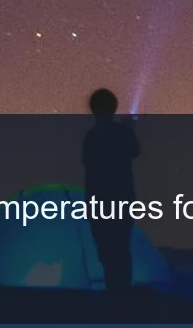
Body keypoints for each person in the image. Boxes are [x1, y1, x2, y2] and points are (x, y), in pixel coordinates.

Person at [81, 87, 140, 294]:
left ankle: (116, 294)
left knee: (108, 251)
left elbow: (90, 173)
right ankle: (120, 294)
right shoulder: (121, 133)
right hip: (122, 201)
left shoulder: (92, 137)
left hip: (101, 202)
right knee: (120, 250)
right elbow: (135, 151)